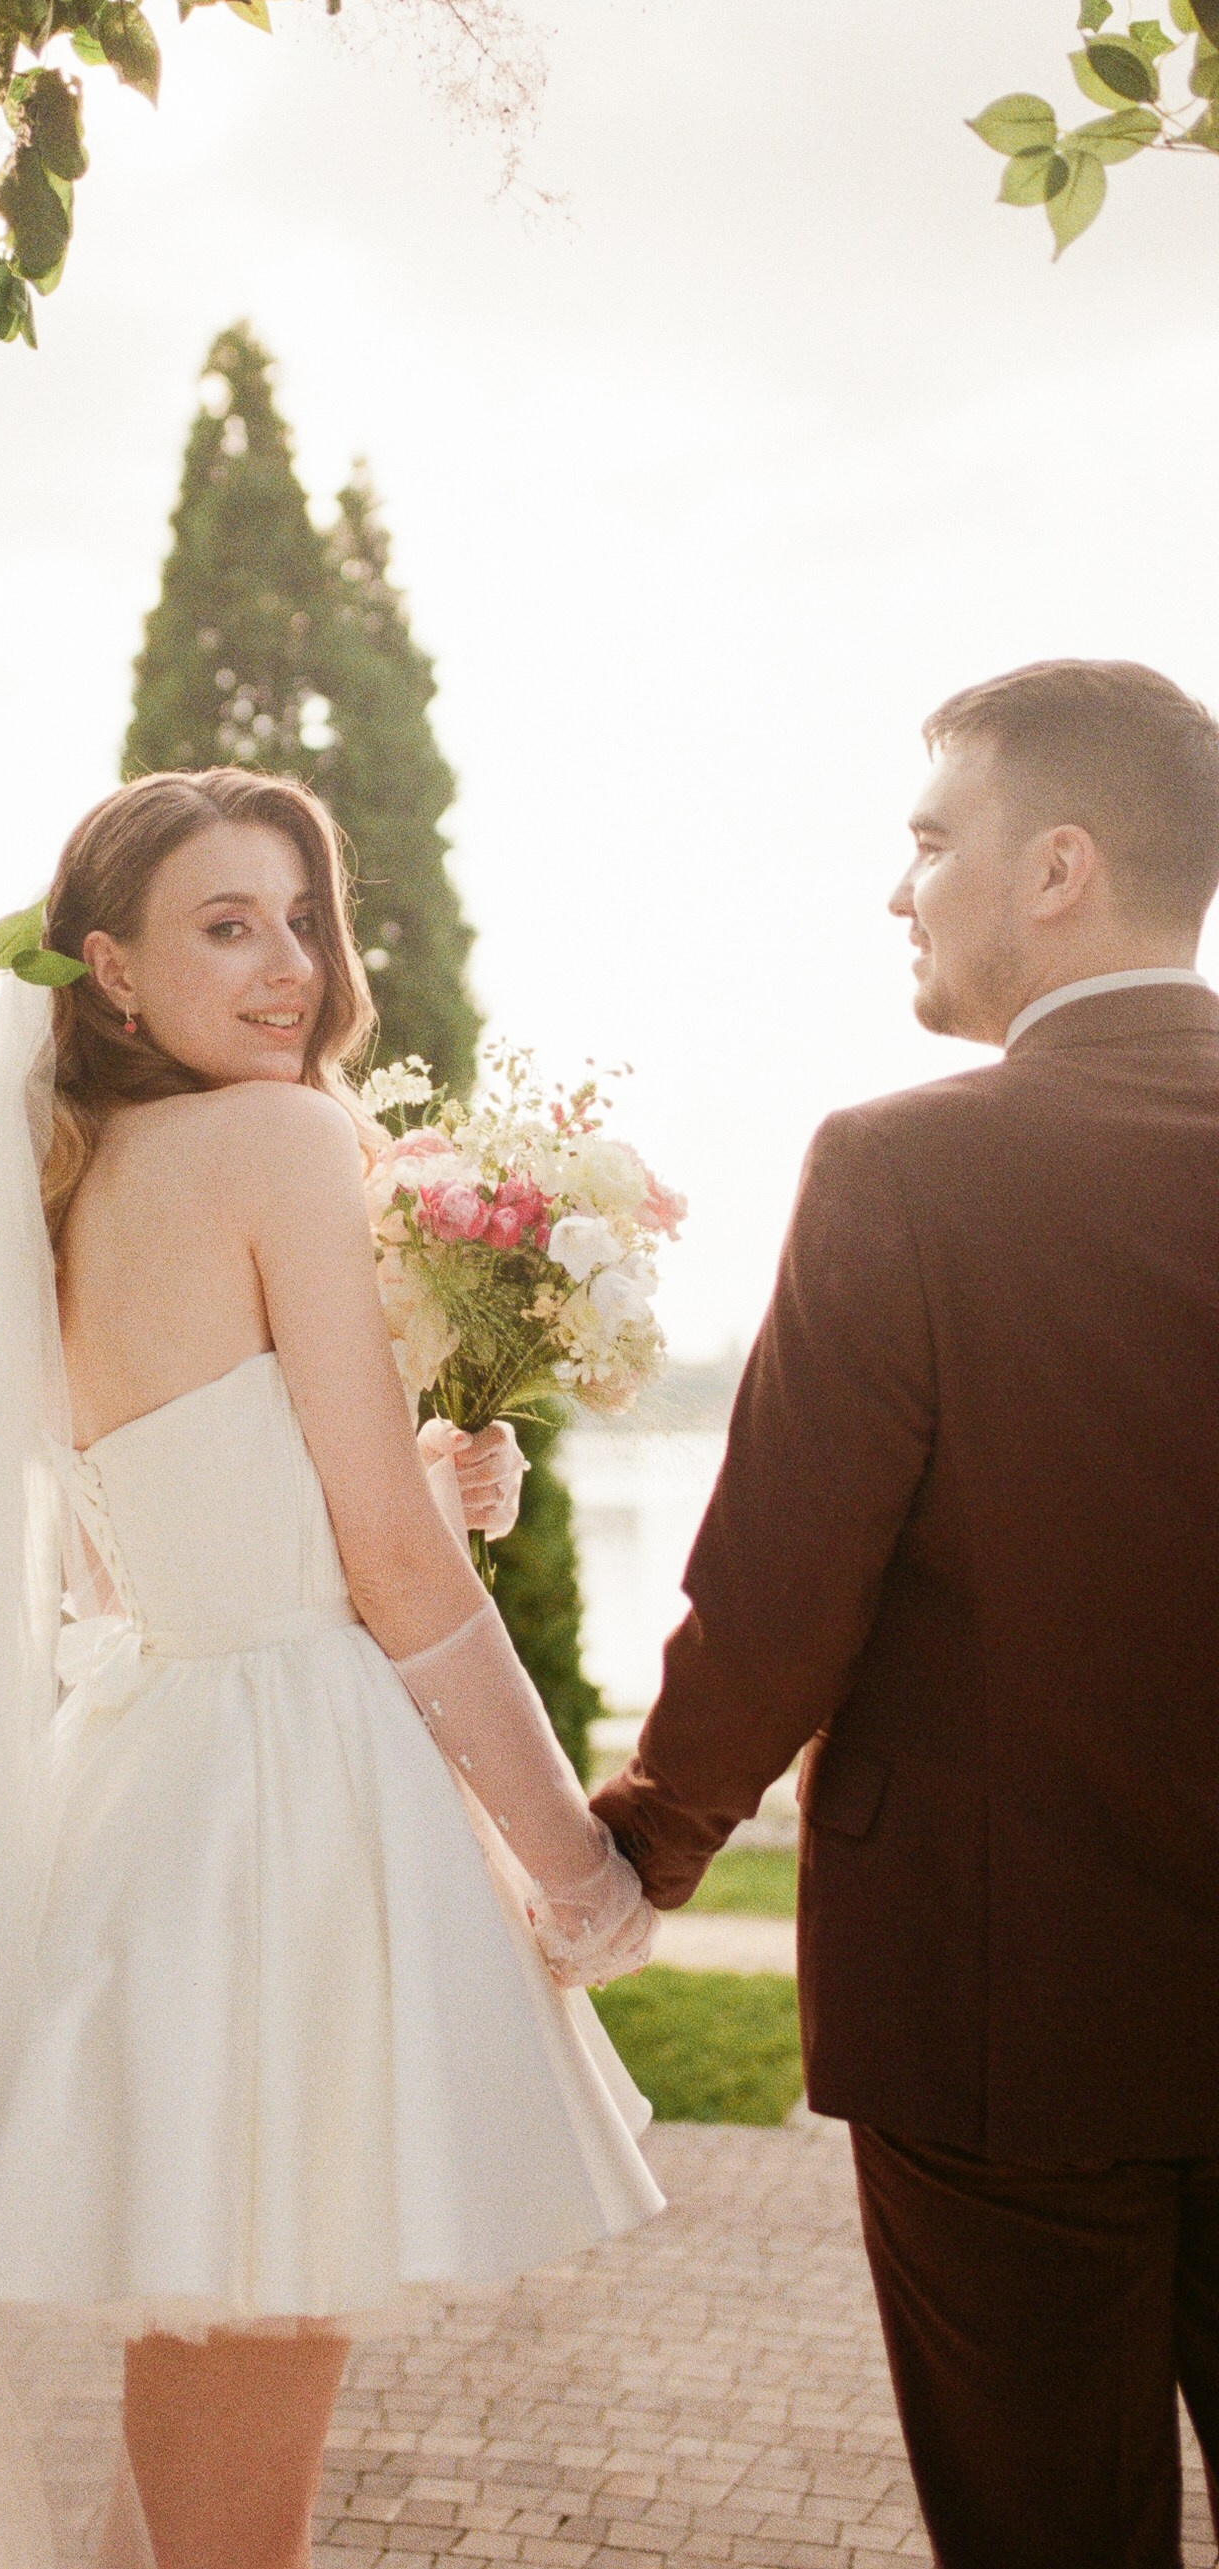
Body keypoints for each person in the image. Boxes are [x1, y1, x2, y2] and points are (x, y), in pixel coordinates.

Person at [0, 766, 659, 2569]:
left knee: (195, 2462)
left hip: (162, 1781)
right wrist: (574, 1861)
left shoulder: (69, 1191)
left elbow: (147, 1545)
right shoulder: (278, 1141)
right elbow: (389, 1565)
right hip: (283, 1826)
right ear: (111, 967)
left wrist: (413, 1465)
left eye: (302, 919)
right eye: (226, 924)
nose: (291, 966)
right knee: (236, 2505)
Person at [592, 659, 1219, 2569]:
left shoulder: (903, 1170)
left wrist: (648, 1837)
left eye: (932, 840)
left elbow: (781, 1594)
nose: (900, 889)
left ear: (1058, 868)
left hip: (996, 2011)